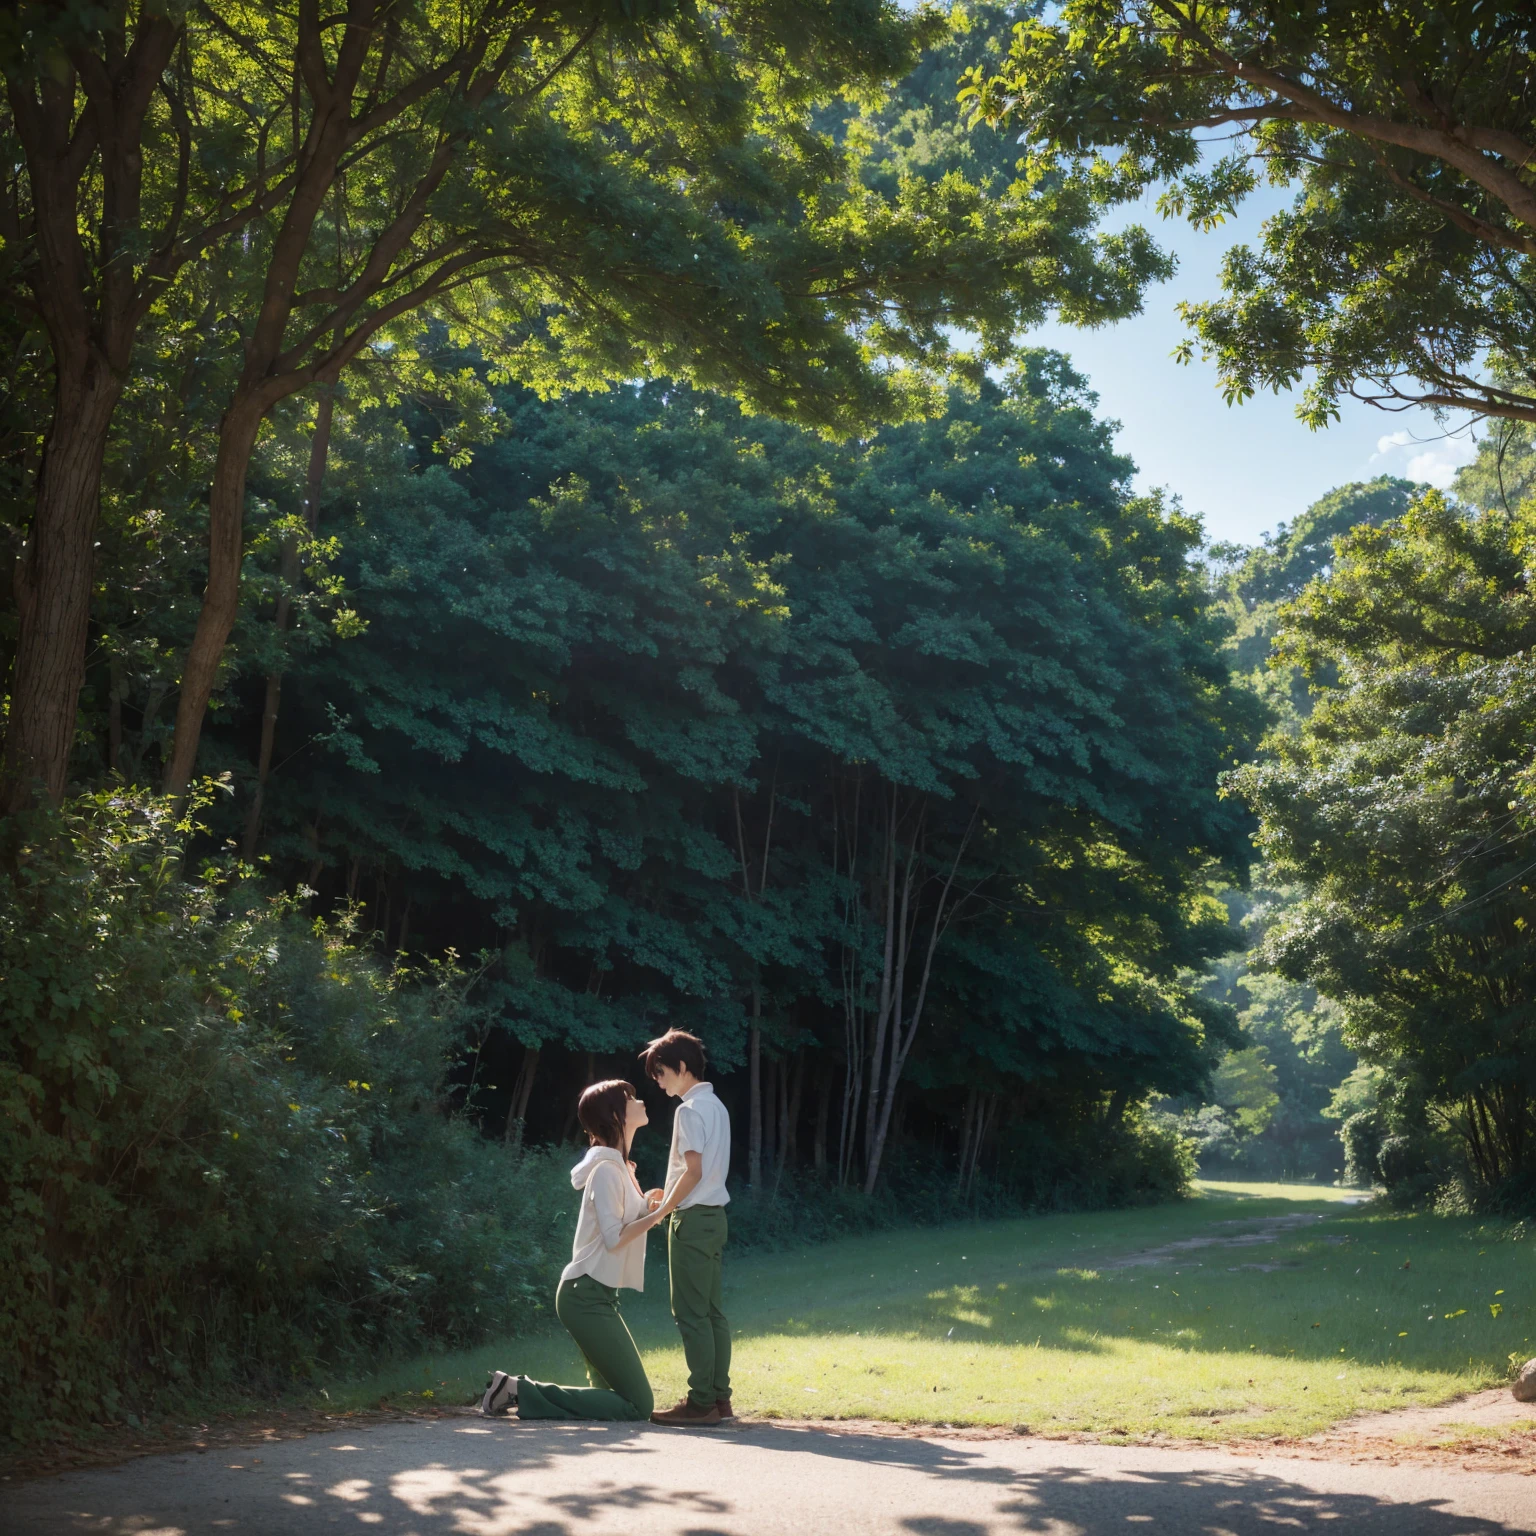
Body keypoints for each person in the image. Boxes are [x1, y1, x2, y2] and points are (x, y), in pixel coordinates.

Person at [480, 1079, 665, 1421]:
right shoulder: (607, 1172)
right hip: (584, 1295)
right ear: (614, 1115)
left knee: (613, 1400)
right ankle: (516, 1390)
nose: (638, 1101)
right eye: (629, 1098)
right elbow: (614, 1237)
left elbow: (629, 1218)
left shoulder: (621, 1169)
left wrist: (650, 1203)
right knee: (639, 1405)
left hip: (597, 1294)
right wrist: (659, 1214)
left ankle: (514, 1391)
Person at [639, 1029, 732, 1427]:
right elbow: (696, 1173)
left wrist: (660, 1213)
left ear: (681, 1067)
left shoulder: (689, 1110)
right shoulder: (715, 1105)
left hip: (693, 1221)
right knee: (711, 1313)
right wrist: (670, 1196)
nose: (658, 1082)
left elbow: (692, 1173)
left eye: (660, 1073)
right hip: (714, 1218)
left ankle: (701, 1404)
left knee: (691, 1314)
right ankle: (719, 1400)